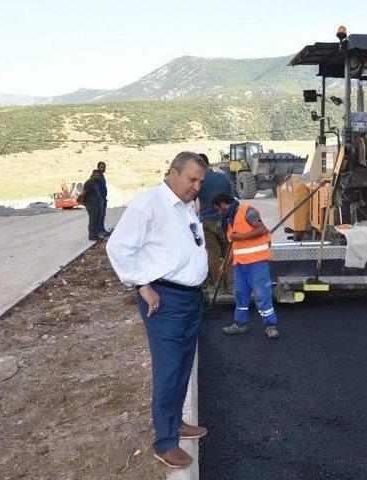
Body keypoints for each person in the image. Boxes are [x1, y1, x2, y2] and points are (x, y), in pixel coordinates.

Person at [105, 152, 209, 469]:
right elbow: (118, 247)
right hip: (166, 300)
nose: (197, 186)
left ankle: (175, 421)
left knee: (182, 365)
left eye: (201, 182)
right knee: (168, 368)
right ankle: (165, 442)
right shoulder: (148, 204)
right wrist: (141, 284)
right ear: (172, 173)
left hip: (190, 298)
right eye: (192, 179)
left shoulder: (185, 206)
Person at [211, 192, 279, 339]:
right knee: (240, 295)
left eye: (217, 209)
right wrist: (225, 265)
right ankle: (240, 324)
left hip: (257, 262)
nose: (217, 212)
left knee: (262, 294)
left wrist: (240, 237)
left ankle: (270, 326)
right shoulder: (229, 220)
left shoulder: (247, 211)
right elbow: (233, 247)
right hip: (240, 265)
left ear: (223, 205)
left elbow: (262, 229)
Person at [195, 153, 235, 286]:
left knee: (213, 254)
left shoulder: (199, 181)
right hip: (224, 221)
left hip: (207, 221)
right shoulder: (223, 177)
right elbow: (232, 200)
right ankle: (230, 282)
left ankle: (218, 284)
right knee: (228, 251)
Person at [81, 170, 105, 241]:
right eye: (97, 175)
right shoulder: (88, 183)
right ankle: (91, 235)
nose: (98, 177)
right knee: (93, 220)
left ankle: (95, 234)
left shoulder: (95, 182)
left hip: (97, 205)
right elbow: (84, 194)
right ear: (93, 175)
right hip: (92, 205)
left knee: (96, 220)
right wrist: (86, 203)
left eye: (99, 176)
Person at [96, 161, 109, 235]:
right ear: (98, 167)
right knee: (99, 215)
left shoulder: (102, 176)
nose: (103, 169)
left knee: (103, 215)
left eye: (104, 167)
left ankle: (102, 229)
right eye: (101, 167)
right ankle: (99, 231)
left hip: (103, 199)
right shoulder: (96, 176)